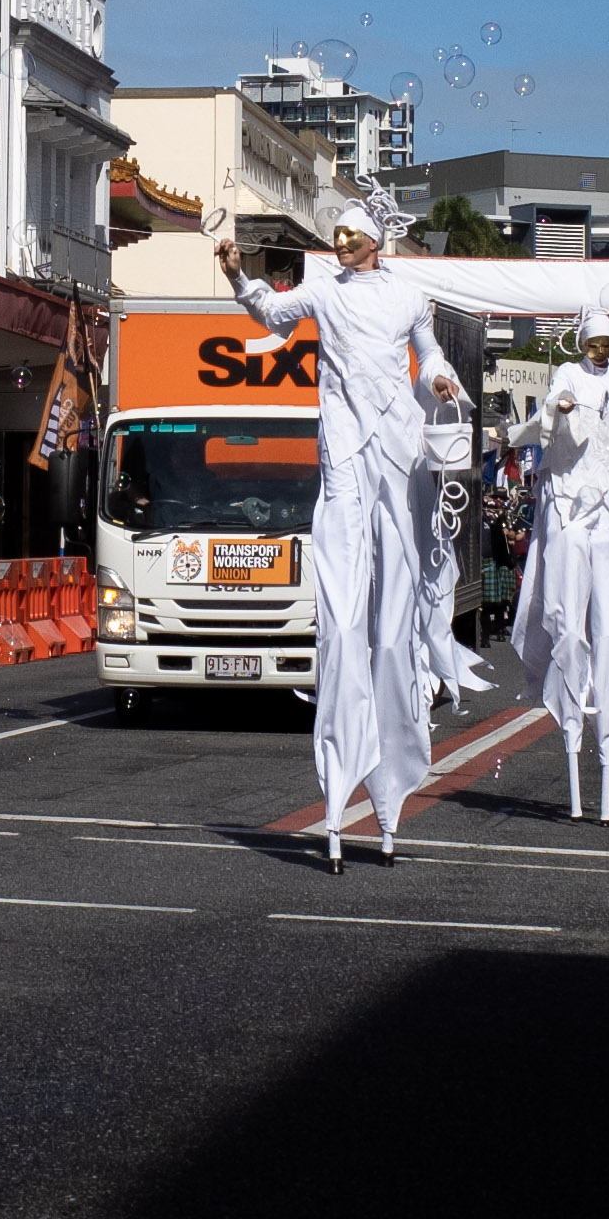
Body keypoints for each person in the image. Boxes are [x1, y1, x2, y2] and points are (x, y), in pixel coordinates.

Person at [216, 183, 463, 873]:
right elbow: (270, 312)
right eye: (338, 239)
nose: (342, 247)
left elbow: (428, 353)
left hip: (396, 443)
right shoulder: (323, 291)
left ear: (375, 241)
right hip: (344, 449)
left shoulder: (410, 296)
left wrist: (439, 379)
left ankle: (390, 786)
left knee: (393, 617)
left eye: (352, 238)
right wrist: (237, 273)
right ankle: (337, 786)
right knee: (343, 616)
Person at [511, 309, 609, 823]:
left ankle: (608, 732)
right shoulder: (567, 374)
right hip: (569, 501)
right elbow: (548, 419)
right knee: (567, 620)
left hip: (608, 505)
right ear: (581, 342)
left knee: (607, 627)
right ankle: (569, 723)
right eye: (592, 342)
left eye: (605, 343)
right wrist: (560, 409)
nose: (600, 350)